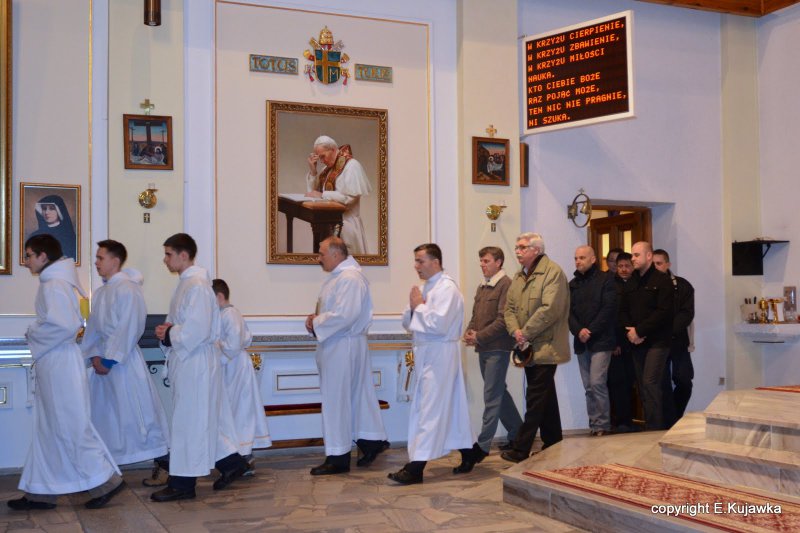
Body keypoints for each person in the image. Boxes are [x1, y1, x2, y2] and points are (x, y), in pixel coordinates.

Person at [8, 235, 123, 511]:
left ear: (43, 256)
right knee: (48, 428)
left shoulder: (54, 284)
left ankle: (106, 482)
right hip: (56, 361)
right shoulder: (54, 282)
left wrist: (33, 332)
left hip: (59, 363)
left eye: (29, 255)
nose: (26, 261)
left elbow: (66, 325)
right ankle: (41, 490)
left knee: (69, 425)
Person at [150, 233, 249, 502]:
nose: (165, 259)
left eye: (169, 254)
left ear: (184, 255)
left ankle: (182, 484)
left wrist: (169, 333)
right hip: (189, 360)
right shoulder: (189, 284)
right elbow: (182, 324)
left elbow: (197, 329)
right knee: (200, 419)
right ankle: (231, 463)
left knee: (189, 422)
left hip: (196, 362)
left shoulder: (197, 286)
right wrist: (167, 331)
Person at [388, 243, 473, 484]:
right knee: (451, 408)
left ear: (435, 262)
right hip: (428, 353)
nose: (416, 266)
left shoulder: (447, 289)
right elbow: (408, 322)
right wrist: (414, 308)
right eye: (415, 261)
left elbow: (439, 325)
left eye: (420, 261)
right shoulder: (427, 287)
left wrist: (418, 307)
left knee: (429, 410)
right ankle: (471, 451)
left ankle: (415, 468)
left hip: (440, 353)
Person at [83, 240, 170, 471]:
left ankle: (166, 465)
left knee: (137, 416)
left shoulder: (129, 289)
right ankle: (105, 470)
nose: (96, 262)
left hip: (124, 364)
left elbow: (130, 326)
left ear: (115, 261)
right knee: (107, 418)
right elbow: (93, 330)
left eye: (100, 258)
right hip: (102, 365)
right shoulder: (101, 293)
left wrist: (110, 359)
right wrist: (93, 356)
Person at [304, 237, 388, 475]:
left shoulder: (350, 279)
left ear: (336, 254)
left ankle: (338, 457)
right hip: (342, 343)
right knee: (355, 397)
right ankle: (370, 442)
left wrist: (317, 322)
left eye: (321, 253)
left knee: (336, 401)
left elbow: (345, 315)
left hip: (343, 345)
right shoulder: (340, 278)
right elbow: (336, 312)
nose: (318, 258)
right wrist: (316, 319)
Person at [501, 233, 570, 463]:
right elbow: (509, 309)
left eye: (522, 247)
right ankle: (554, 442)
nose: (517, 251)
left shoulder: (553, 272)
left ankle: (521, 448)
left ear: (537, 250)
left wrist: (525, 332)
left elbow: (550, 310)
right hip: (527, 345)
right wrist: (516, 331)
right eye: (516, 247)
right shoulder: (519, 275)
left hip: (546, 346)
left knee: (535, 398)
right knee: (545, 396)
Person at [463, 246, 521, 463]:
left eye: (486, 261)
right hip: (484, 347)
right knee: (499, 393)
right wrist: (470, 332)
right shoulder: (483, 285)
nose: (482, 264)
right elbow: (475, 315)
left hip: (498, 347)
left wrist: (479, 336)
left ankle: (483, 445)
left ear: (498, 262)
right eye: (481, 260)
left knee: (492, 396)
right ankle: (519, 434)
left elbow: (503, 320)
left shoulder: (506, 284)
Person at [213, 279, 272, 475]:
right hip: (230, 368)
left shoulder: (230, 314)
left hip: (236, 368)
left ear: (219, 296)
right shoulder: (223, 314)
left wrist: (214, 347)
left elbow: (233, 345)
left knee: (240, 410)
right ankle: (236, 455)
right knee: (232, 411)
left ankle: (244, 456)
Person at [619, 241, 674, 431]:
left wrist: (640, 331)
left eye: (636, 255)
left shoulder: (662, 280)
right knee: (643, 386)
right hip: (637, 341)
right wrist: (630, 332)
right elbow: (622, 310)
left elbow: (663, 312)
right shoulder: (631, 282)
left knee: (650, 382)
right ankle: (654, 427)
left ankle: (655, 430)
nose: (633, 259)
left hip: (658, 341)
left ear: (649, 256)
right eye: (632, 255)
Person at [569, 245, 617, 437]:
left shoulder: (606, 280)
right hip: (582, 341)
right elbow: (568, 312)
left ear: (593, 259)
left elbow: (608, 309)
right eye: (576, 258)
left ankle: (603, 424)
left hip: (602, 340)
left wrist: (590, 330)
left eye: (582, 257)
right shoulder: (572, 284)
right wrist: (578, 330)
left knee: (597, 382)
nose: (578, 261)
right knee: (588, 386)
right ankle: (594, 424)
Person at [306, 135, 372, 254]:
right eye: (319, 158)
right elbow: (313, 193)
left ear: (332, 149)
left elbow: (349, 199)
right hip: (328, 225)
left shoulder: (351, 166)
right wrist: (313, 170)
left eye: (323, 156)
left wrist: (323, 195)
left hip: (346, 225)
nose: (321, 161)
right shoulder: (327, 169)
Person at [653, 249, 695, 425]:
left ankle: (676, 416)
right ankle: (667, 422)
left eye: (659, 263)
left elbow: (687, 313)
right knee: (661, 383)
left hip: (678, 340)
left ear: (668, 264)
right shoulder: (646, 286)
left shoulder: (683, 285)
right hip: (655, 342)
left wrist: (669, 330)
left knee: (684, 380)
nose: (656, 267)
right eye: (653, 264)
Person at [607, 252, 637, 432]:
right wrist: (614, 342)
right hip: (617, 343)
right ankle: (621, 421)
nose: (624, 269)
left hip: (636, 341)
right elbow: (610, 316)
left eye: (627, 266)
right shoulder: (611, 285)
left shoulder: (638, 283)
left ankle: (632, 419)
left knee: (633, 381)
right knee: (618, 382)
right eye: (620, 266)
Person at [27, 194, 77, 261]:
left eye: (51, 208)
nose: (46, 212)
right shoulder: (34, 236)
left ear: (59, 211)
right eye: (44, 208)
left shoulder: (70, 236)